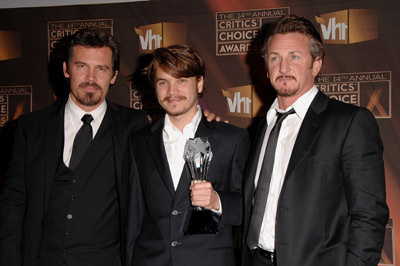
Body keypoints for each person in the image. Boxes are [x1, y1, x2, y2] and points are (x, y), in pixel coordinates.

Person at [242, 14, 389, 266]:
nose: (283, 68)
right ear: (266, 68)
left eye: (294, 57)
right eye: (275, 58)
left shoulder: (349, 122)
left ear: (316, 64)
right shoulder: (261, 127)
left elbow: (369, 215)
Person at [0, 29, 148, 266]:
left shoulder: (134, 125)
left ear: (113, 75)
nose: (91, 78)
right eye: (82, 66)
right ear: (66, 69)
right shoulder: (32, 127)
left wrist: (207, 125)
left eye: (101, 68)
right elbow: (14, 202)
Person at [125, 44, 250, 266]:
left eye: (181, 80)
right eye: (163, 82)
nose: (172, 92)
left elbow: (248, 207)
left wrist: (216, 201)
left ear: (199, 83)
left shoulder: (232, 139)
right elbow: (134, 216)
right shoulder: (139, 142)